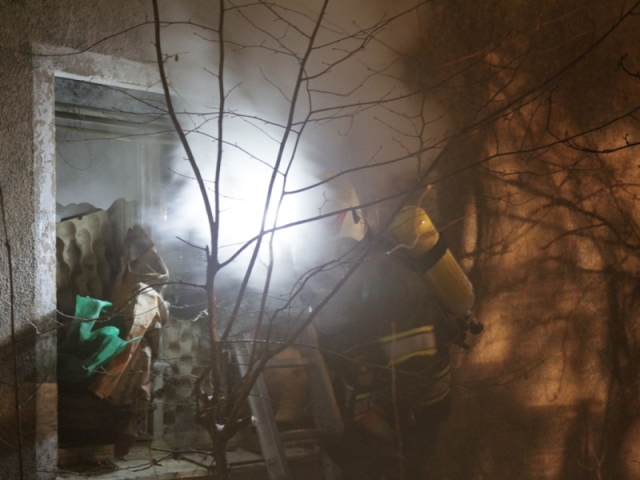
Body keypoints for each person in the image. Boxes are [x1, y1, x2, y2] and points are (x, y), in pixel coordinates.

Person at [294, 175, 470, 479]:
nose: (321, 259)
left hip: (411, 419)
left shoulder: (392, 281)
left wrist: (368, 430)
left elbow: (413, 371)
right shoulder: (335, 279)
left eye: (328, 248)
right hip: (370, 416)